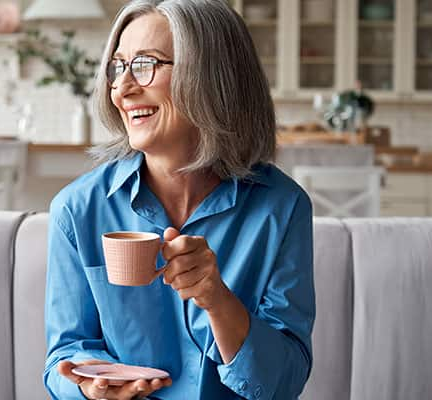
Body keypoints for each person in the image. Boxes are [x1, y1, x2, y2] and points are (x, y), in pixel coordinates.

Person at [44, 0, 315, 399]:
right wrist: (90, 390)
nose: (122, 88)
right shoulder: (77, 211)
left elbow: (284, 383)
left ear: (212, 76)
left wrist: (217, 300)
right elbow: (62, 359)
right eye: (118, 67)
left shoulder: (282, 209)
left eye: (145, 64)